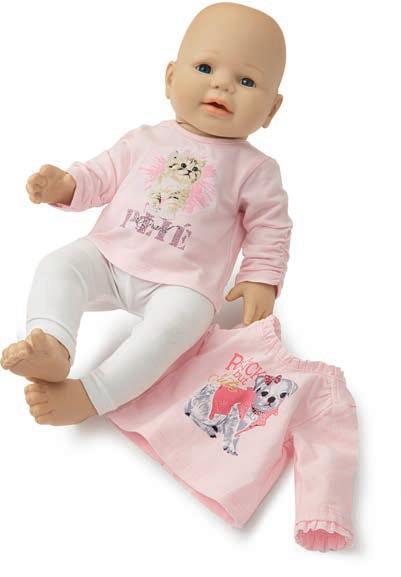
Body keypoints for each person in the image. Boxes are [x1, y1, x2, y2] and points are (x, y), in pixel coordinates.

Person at [1, 2, 292, 426]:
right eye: (205, 68)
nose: (222, 85)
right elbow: (100, 175)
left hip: (183, 284)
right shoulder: (146, 139)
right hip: (109, 256)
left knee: (174, 328)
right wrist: (66, 185)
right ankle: (53, 345)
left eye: (246, 81)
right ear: (171, 78)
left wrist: (261, 276)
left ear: (271, 109)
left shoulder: (255, 169)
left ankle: (91, 395)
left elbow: (270, 226)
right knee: (58, 266)